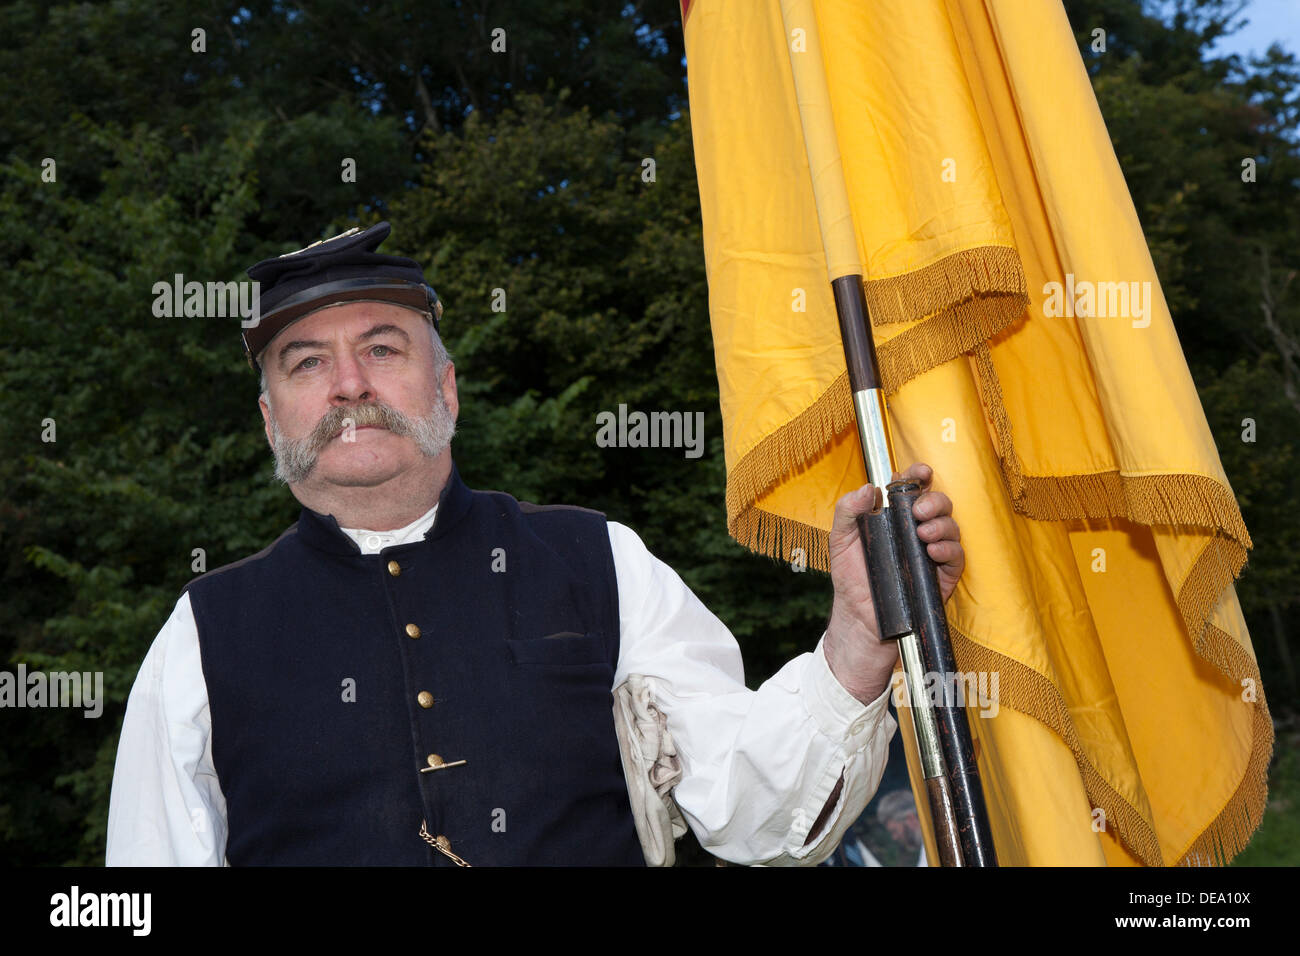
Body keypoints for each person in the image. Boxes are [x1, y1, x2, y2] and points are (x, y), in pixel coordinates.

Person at [105, 222, 966, 866]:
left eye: (381, 347)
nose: (350, 385)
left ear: (446, 387)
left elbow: (755, 815)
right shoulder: (202, 634)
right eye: (305, 363)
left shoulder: (600, 563)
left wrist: (856, 637)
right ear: (270, 419)